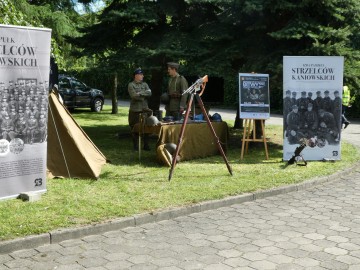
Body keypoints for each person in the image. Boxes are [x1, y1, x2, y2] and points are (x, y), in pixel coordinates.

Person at [128, 68, 152, 151]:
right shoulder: (131, 85)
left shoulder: (145, 84)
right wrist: (143, 96)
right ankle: (135, 146)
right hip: (135, 110)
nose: (142, 76)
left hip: (144, 108)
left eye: (142, 74)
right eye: (141, 75)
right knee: (134, 127)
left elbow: (149, 92)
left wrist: (140, 93)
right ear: (136, 76)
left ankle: (146, 145)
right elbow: (133, 96)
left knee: (146, 127)